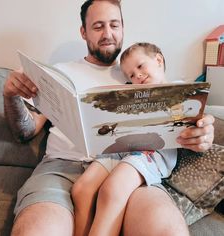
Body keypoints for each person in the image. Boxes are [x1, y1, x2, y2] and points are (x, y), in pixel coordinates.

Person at [3, 1, 214, 236]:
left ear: (123, 27)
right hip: (62, 167)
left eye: (114, 25)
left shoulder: (137, 74)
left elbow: (185, 118)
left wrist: (203, 132)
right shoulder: (58, 72)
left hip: (127, 164)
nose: (108, 33)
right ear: (83, 32)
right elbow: (25, 131)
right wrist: (11, 96)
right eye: (98, 26)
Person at [72, 42, 173, 236]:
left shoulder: (181, 89)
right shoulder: (132, 94)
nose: (137, 76)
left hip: (151, 153)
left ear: (158, 60)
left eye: (140, 66)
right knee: (81, 190)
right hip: (123, 147)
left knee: (113, 189)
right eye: (131, 75)